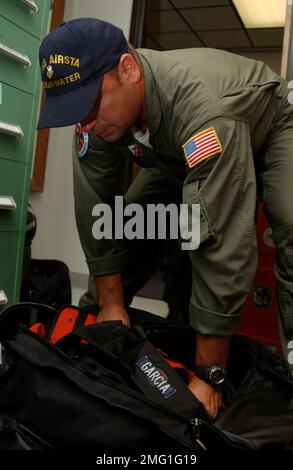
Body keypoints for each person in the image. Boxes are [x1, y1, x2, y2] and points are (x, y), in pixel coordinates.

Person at [37, 17, 293, 418]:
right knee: (131, 224)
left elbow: (220, 243)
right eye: (73, 110)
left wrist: (210, 377)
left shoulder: (205, 110)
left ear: (129, 69)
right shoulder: (99, 119)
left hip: (271, 124)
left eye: (87, 104)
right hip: (176, 149)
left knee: (286, 227)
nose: (82, 122)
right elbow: (96, 209)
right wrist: (109, 305)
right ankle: (101, 335)